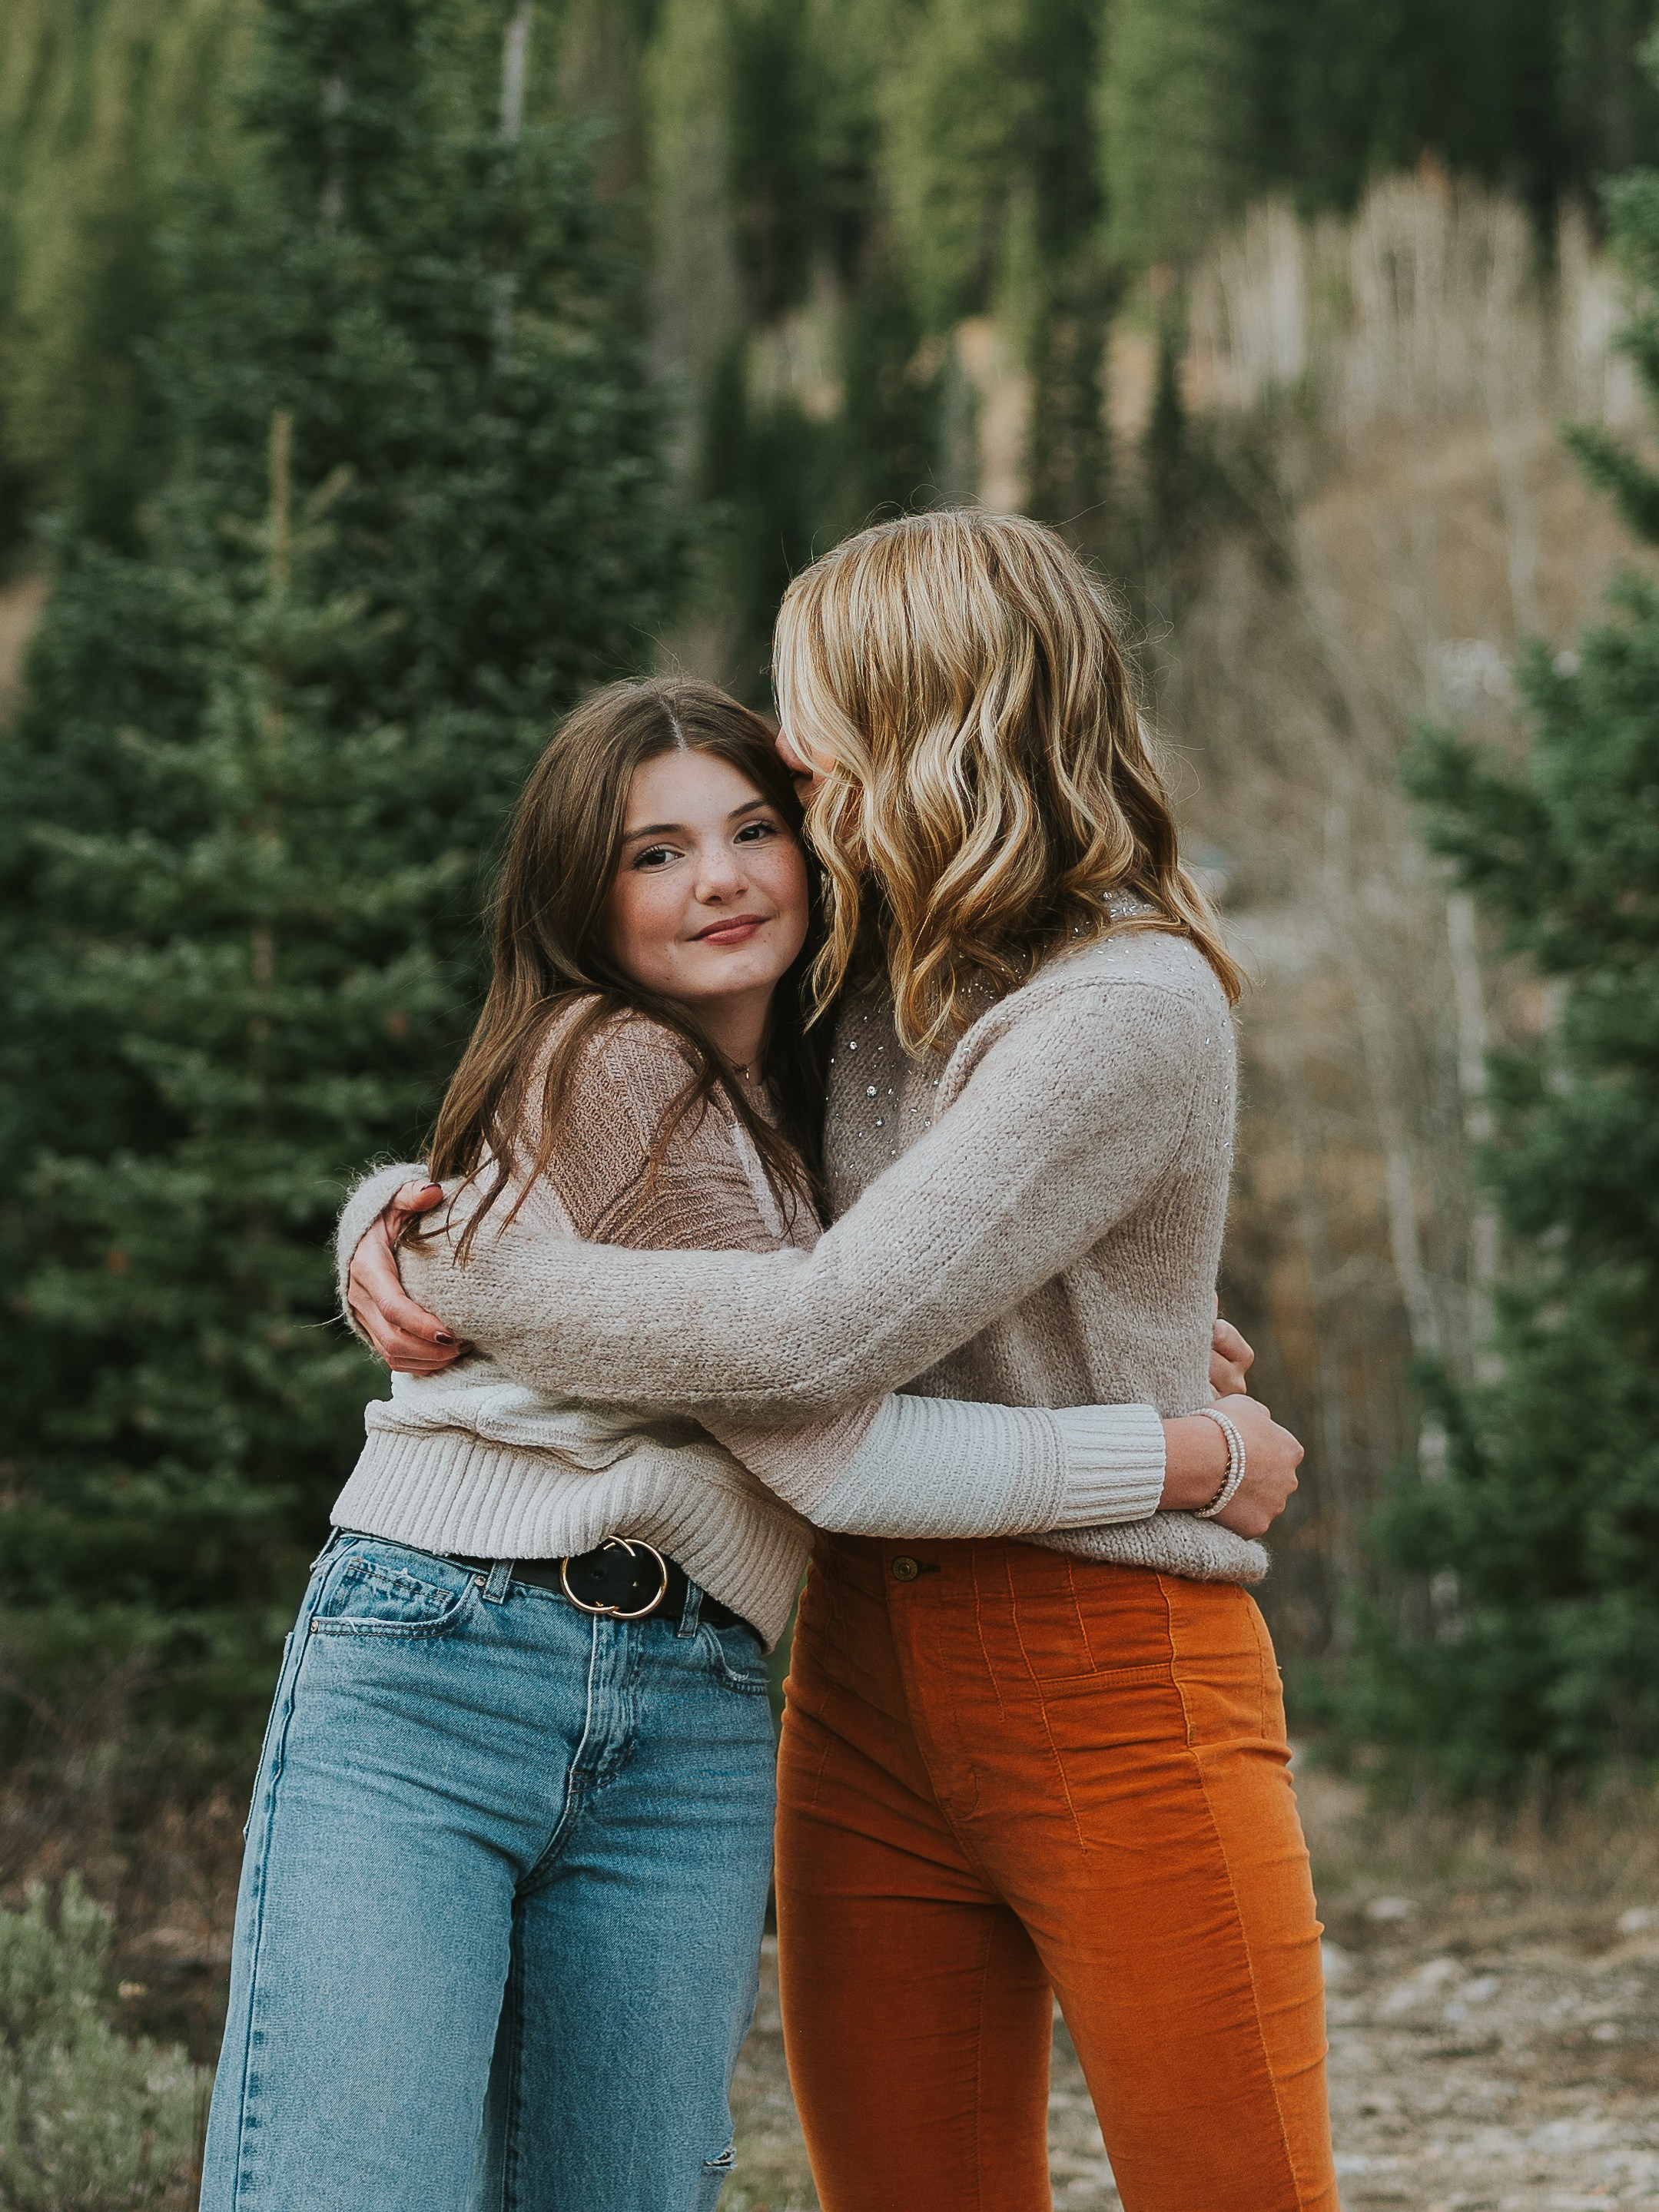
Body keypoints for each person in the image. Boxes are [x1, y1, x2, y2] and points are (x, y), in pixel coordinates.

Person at [343, 512, 1337, 2211]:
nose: (786, 752)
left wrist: (479, 1274)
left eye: (812, 715)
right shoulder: (857, 970)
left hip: (1114, 1677)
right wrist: (390, 1212)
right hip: (862, 1669)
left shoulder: (1125, 1004)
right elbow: (619, 1121)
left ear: (925, 724)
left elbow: (817, 1330)